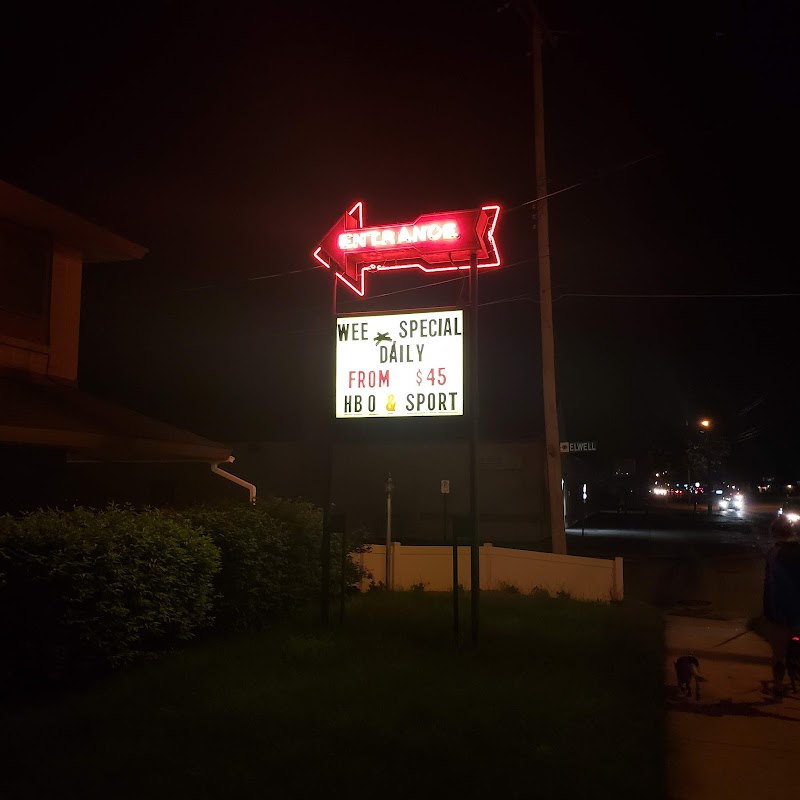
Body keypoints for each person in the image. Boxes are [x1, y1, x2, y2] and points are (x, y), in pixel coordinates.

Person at [763, 523, 800, 698]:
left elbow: (770, 583)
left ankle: (778, 686)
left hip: (780, 614)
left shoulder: (774, 553)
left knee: (778, 654)